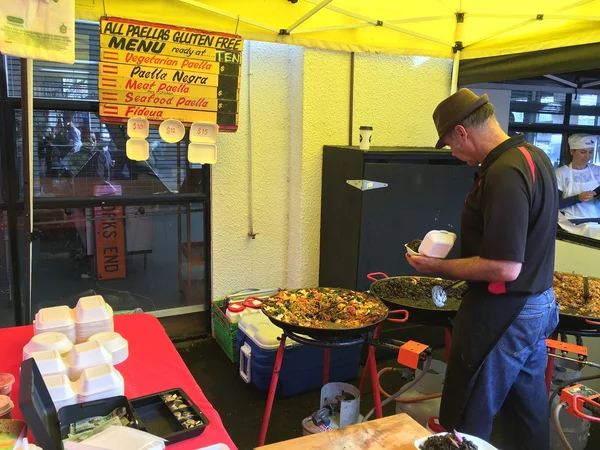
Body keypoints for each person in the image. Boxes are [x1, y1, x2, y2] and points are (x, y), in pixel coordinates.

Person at [406, 88, 559, 450]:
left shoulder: (504, 173)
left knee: (469, 413)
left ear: (461, 132)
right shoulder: (532, 156)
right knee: (526, 409)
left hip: (504, 313)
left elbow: (505, 267)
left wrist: (438, 266)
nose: (456, 155)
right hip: (537, 305)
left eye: (450, 144)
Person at [555, 134, 600, 218]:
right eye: (583, 152)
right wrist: (578, 198)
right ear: (572, 151)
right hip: (570, 222)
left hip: (596, 221)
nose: (587, 156)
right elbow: (554, 204)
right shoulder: (560, 174)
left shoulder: (597, 170)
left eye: (591, 152)